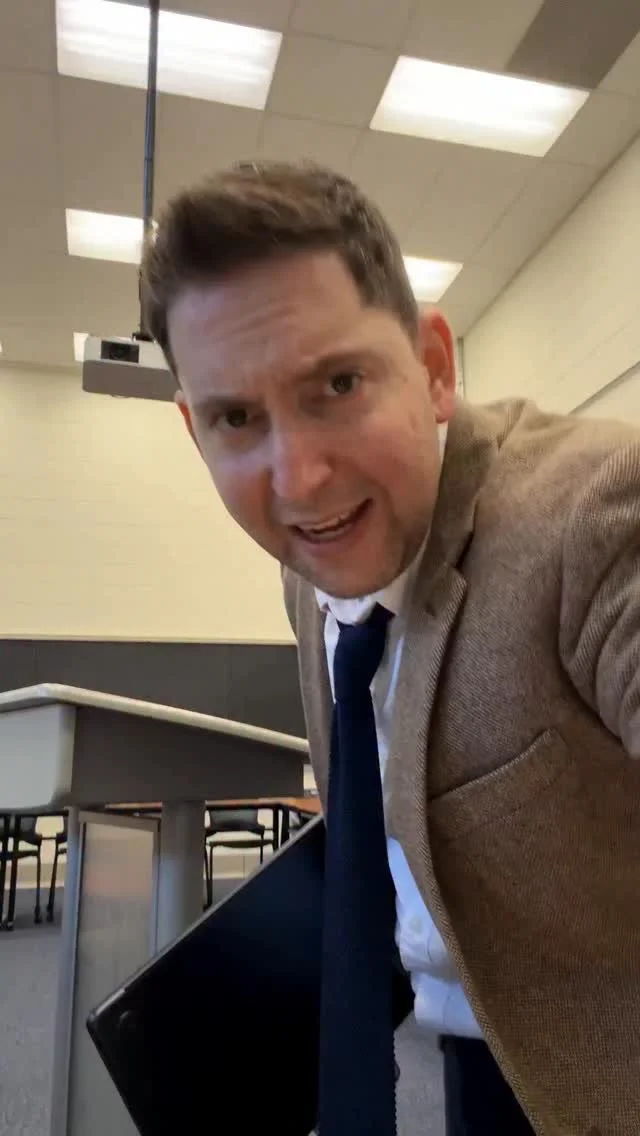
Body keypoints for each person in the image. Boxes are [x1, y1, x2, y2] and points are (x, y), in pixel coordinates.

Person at [140, 161, 640, 1136]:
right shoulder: (310, 569)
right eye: (237, 417)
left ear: (434, 367)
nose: (299, 477)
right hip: (467, 1040)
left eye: (337, 384)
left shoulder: (595, 511)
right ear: (195, 429)